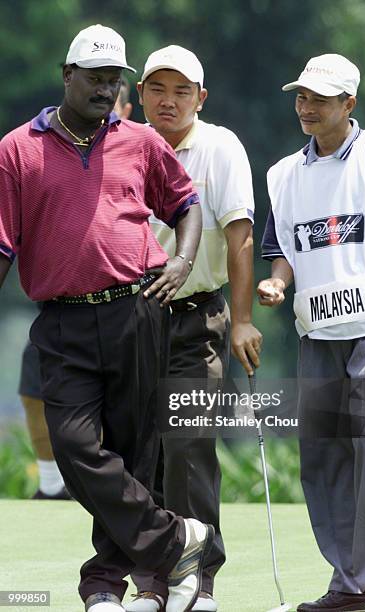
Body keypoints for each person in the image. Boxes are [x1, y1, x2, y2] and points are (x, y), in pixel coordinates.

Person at [0, 24, 215, 612]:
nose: (104, 88)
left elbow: (186, 204)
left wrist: (183, 259)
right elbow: (2, 243)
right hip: (63, 320)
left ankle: (102, 586)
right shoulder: (18, 148)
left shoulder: (141, 141)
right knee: (74, 448)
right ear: (67, 76)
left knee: (133, 453)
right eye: (94, 77)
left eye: (113, 79)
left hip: (137, 309)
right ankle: (180, 540)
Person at [258, 53, 365, 612]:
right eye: (301, 96)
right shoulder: (282, 174)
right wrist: (275, 285)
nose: (306, 107)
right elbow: (285, 252)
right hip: (317, 331)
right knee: (322, 454)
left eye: (320, 98)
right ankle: (348, 582)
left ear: (350, 103)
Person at [126, 45, 262, 612]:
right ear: (140, 95)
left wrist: (243, 319)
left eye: (182, 91)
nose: (169, 100)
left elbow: (239, 235)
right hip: (133, 319)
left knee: (188, 446)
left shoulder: (219, 146)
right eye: (158, 89)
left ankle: (198, 580)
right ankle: (151, 582)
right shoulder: (122, 146)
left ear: (201, 98)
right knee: (142, 453)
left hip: (199, 318)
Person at [18, 78, 133, 502]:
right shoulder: (47, 148)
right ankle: (51, 486)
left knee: (114, 421)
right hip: (60, 306)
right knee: (37, 390)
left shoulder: (136, 149)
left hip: (127, 310)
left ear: (125, 106)